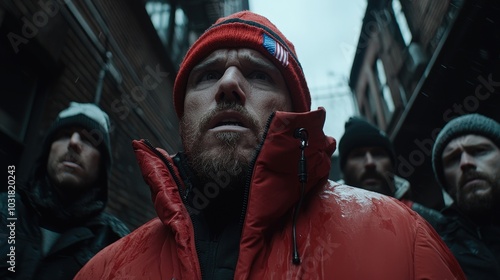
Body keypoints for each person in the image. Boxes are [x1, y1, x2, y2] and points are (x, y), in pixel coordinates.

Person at [75, 11, 464, 279]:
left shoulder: (403, 244)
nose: (228, 84)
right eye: (207, 74)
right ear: (184, 113)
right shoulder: (104, 270)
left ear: (295, 113)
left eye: (259, 74)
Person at [0, 102, 129, 279]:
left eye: (88, 139)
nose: (74, 143)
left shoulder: (116, 244)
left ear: (102, 166)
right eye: (64, 135)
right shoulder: (4, 211)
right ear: (48, 151)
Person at [337, 116, 448, 221]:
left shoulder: (430, 223)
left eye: (378, 154)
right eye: (358, 155)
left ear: (392, 164)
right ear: (344, 169)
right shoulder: (327, 224)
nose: (370, 162)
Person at [431, 113, 500, 279]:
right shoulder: (437, 251)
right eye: (453, 159)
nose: (465, 163)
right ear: (445, 183)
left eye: (479, 151)